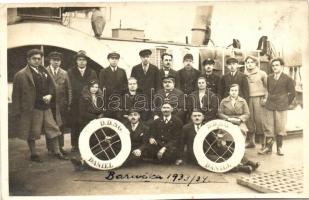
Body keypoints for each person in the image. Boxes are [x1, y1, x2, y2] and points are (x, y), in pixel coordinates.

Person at [12, 49, 68, 162]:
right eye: (34, 58)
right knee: (33, 131)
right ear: (28, 59)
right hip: (32, 108)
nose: (37, 61)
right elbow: (16, 95)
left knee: (53, 128)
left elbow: (52, 86)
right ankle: (34, 154)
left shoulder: (43, 71)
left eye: (39, 58)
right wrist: (16, 111)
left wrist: (50, 95)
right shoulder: (21, 75)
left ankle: (57, 152)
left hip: (46, 107)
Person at [218, 84, 259, 173]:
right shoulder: (224, 101)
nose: (233, 92)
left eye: (235, 90)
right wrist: (228, 119)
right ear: (229, 91)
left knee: (241, 131)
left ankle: (242, 160)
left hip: (239, 122)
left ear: (238, 91)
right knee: (226, 137)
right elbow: (220, 113)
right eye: (232, 90)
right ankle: (246, 162)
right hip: (227, 122)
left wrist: (240, 119)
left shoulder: (243, 101)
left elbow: (247, 113)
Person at [259, 58, 295, 156]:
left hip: (281, 105)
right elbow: (268, 90)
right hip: (270, 105)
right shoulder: (269, 77)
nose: (275, 67)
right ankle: (268, 148)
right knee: (269, 126)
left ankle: (279, 148)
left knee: (280, 127)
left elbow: (292, 93)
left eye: (277, 65)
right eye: (273, 65)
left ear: (282, 66)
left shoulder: (288, 78)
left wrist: (286, 103)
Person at [67, 50, 98, 152]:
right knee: (75, 124)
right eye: (79, 60)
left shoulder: (92, 72)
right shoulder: (70, 72)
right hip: (75, 102)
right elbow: (68, 87)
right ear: (76, 61)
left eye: (84, 60)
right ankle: (75, 145)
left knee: (87, 123)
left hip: (87, 102)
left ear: (87, 61)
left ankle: (89, 144)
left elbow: (95, 87)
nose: (81, 62)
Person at [45, 51, 72, 156]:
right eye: (54, 60)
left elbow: (69, 89)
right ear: (50, 60)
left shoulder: (64, 73)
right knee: (49, 125)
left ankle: (60, 147)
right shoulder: (45, 72)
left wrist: (69, 103)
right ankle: (50, 148)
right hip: (49, 104)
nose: (56, 62)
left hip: (61, 104)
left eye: (58, 60)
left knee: (61, 125)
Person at [244, 55, 268, 149]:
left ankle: (263, 144)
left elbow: (267, 87)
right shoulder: (244, 74)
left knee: (260, 121)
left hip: (259, 99)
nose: (249, 64)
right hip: (248, 99)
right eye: (247, 62)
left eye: (251, 62)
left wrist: (265, 98)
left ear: (255, 63)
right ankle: (251, 142)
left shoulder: (262, 73)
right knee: (249, 120)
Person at [99, 52, 128, 119]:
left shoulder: (122, 71)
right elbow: (101, 87)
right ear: (109, 60)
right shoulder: (103, 71)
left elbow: (125, 86)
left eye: (116, 59)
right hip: (108, 102)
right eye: (112, 58)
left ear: (118, 60)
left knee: (119, 120)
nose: (114, 60)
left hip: (119, 102)